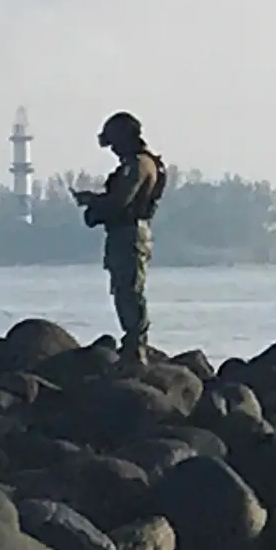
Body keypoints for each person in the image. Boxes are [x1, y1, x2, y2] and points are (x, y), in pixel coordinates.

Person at [71, 112, 167, 365]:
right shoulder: (144, 163)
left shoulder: (137, 165)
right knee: (126, 289)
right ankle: (135, 344)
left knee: (128, 290)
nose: (113, 149)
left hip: (129, 234)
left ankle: (136, 348)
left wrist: (94, 205)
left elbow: (119, 201)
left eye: (114, 143)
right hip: (129, 233)